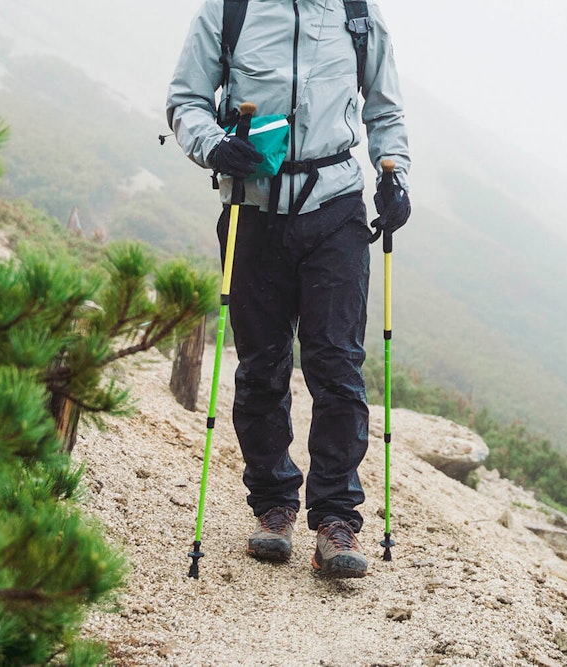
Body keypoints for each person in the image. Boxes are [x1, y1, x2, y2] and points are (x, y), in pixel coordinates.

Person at [166, 0, 410, 578]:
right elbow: (185, 101)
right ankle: (273, 506)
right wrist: (213, 145)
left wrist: (394, 173)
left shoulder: (357, 12)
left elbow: (385, 109)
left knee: (338, 365)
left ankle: (336, 517)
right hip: (251, 212)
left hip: (336, 210)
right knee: (262, 367)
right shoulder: (231, 10)